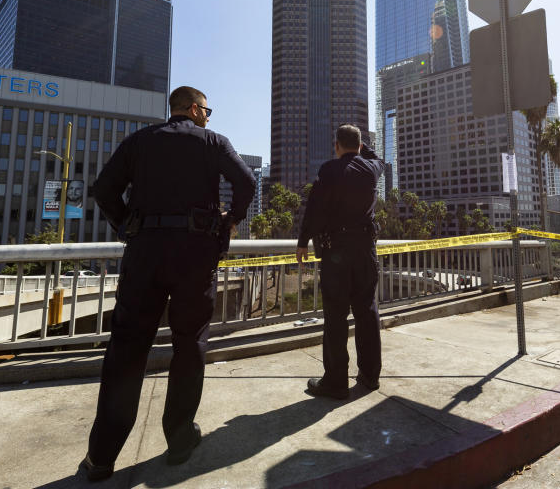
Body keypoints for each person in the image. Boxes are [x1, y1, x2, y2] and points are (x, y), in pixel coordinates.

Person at [80, 86, 256, 482]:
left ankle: (102, 456)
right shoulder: (213, 142)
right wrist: (230, 219)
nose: (208, 117)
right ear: (194, 109)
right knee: (189, 343)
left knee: (127, 347)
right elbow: (246, 184)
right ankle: (179, 439)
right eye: (207, 110)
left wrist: (127, 224)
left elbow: (104, 189)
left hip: (145, 254)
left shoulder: (140, 141)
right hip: (195, 255)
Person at [296, 124, 384, 400]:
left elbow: (314, 207)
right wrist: (362, 146)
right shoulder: (372, 169)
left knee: (335, 317)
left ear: (336, 146)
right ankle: (370, 376)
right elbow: (375, 156)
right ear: (359, 146)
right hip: (366, 251)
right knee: (367, 313)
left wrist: (303, 241)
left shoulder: (329, 170)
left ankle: (336, 382)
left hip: (337, 253)